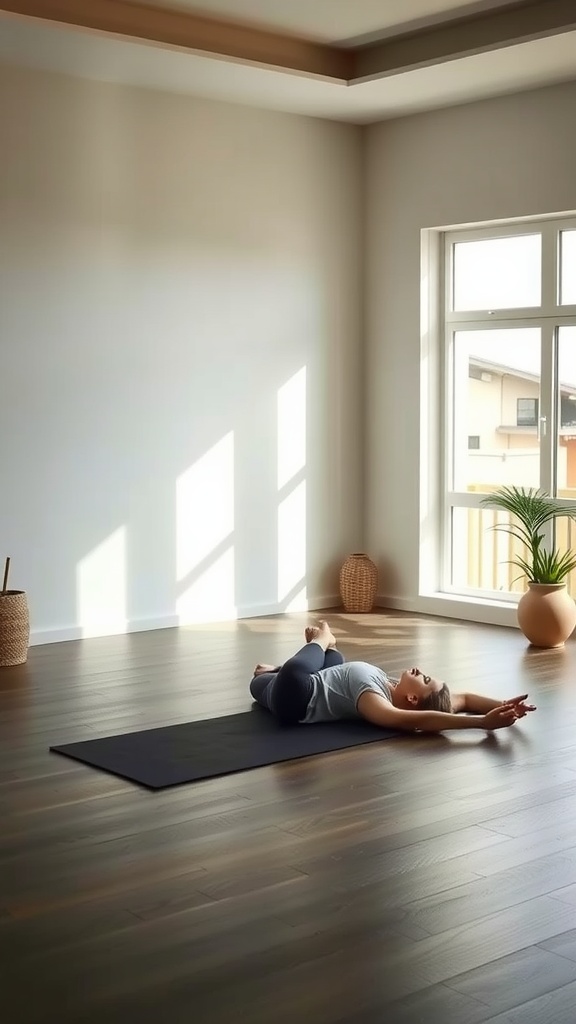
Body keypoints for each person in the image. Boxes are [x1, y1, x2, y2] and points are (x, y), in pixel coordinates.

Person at [249, 619, 536, 733]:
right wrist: (502, 705)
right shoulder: (390, 685)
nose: (421, 672)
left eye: (424, 680)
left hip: (295, 693)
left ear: (411, 698)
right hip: (307, 679)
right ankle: (287, 665)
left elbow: (419, 720)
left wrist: (482, 724)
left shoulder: (377, 704)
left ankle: (321, 640)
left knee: (287, 674)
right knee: (335, 659)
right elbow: (465, 698)